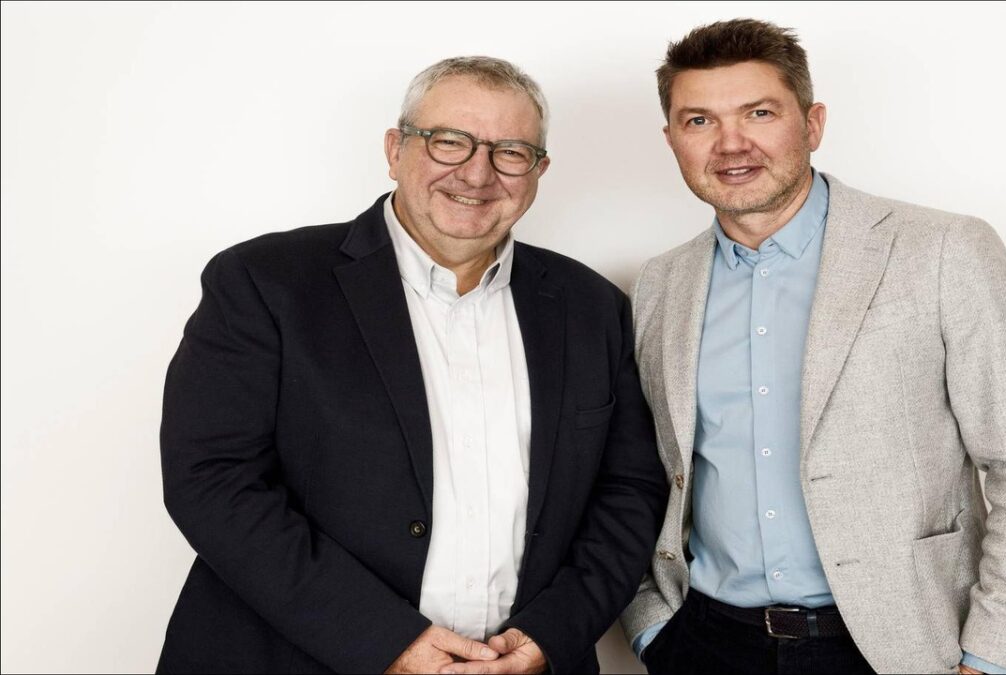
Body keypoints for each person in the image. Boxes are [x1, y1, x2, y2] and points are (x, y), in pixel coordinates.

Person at [158, 56, 667, 675]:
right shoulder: (265, 282)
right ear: (395, 150)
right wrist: (386, 641)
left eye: (510, 152)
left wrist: (551, 635)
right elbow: (212, 480)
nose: (477, 173)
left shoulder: (592, 306)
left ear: (538, 170)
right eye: (449, 142)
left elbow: (629, 492)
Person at [620, 19, 1006, 675]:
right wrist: (652, 627)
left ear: (812, 124)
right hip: (705, 642)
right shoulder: (661, 283)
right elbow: (644, 472)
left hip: (900, 647)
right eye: (699, 121)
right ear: (672, 139)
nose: (731, 143)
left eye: (759, 113)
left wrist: (994, 659)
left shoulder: (944, 251)